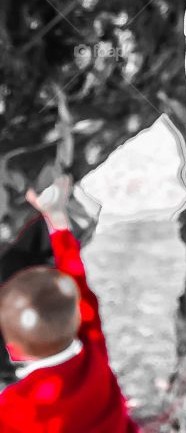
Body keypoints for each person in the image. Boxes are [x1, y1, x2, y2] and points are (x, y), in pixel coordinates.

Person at [0, 176, 138, 431]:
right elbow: (78, 287)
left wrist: (57, 219)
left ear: (12, 351)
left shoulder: (14, 407)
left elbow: (79, 287)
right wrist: (57, 220)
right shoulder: (92, 355)